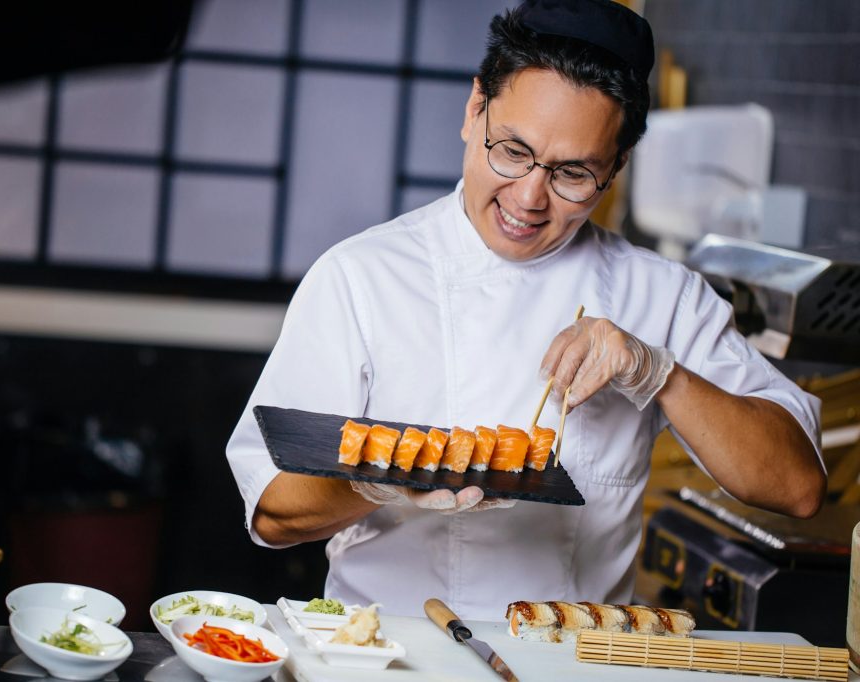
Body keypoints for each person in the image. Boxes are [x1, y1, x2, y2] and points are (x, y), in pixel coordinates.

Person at [226, 0, 825, 619]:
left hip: (569, 663)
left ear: (615, 167)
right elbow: (272, 512)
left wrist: (658, 373)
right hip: (387, 655)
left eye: (573, 173)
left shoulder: (663, 295)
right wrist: (380, 478)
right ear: (474, 109)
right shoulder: (360, 276)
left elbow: (798, 487)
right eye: (512, 150)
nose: (529, 197)